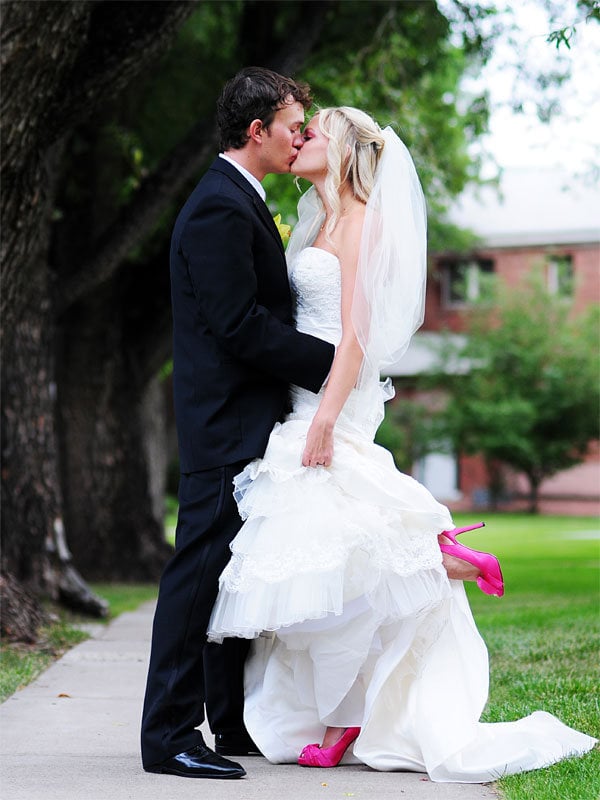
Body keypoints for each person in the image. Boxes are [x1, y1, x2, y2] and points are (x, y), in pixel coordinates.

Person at [207, 107, 596, 781]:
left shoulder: (362, 222)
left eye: (314, 132)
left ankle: (353, 697)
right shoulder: (317, 221)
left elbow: (356, 333)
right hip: (305, 391)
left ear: (345, 149)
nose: (300, 140)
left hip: (336, 393)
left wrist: (328, 414)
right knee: (316, 549)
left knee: (323, 533)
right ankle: (432, 566)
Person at [140, 67, 336, 780]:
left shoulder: (238, 199)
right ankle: (166, 735)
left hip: (245, 421)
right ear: (257, 132)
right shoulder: (220, 207)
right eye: (293, 127)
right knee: (195, 578)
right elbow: (238, 327)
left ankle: (228, 724)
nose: (301, 139)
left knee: (226, 578)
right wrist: (336, 363)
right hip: (224, 426)